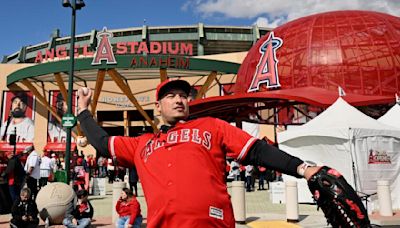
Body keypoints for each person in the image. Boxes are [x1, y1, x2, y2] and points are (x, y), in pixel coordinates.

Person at [75, 79, 325, 227]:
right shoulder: (142, 143)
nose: (179, 100)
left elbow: (257, 150)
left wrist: (303, 168)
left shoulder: (210, 126)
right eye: (171, 96)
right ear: (157, 106)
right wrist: (83, 112)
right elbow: (102, 142)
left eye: (183, 96)